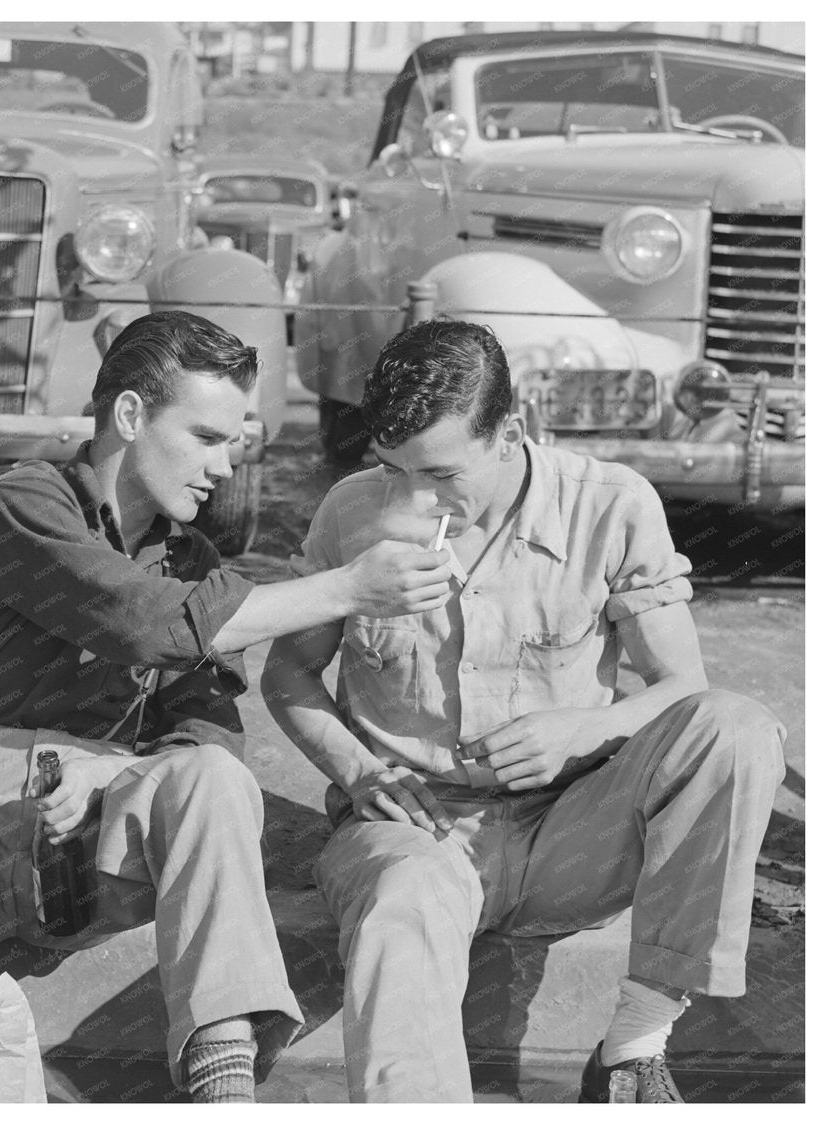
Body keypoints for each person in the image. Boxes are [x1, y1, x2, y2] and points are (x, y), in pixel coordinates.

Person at [0, 309, 457, 1102]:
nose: (225, 465)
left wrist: (103, 772)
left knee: (213, 775)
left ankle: (224, 1089)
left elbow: (203, 738)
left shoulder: (195, 561)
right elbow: (140, 619)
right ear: (132, 414)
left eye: (234, 442)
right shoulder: (25, 502)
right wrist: (348, 587)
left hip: (81, 862)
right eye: (207, 437)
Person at [261, 318, 786, 1102]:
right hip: (413, 834)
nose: (414, 499)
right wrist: (358, 768)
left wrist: (589, 728)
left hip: (571, 837)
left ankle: (633, 1045)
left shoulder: (611, 505)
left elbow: (685, 687)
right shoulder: (349, 511)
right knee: (399, 909)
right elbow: (287, 675)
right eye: (392, 468)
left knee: (738, 727)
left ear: (510, 432)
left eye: (440, 473)